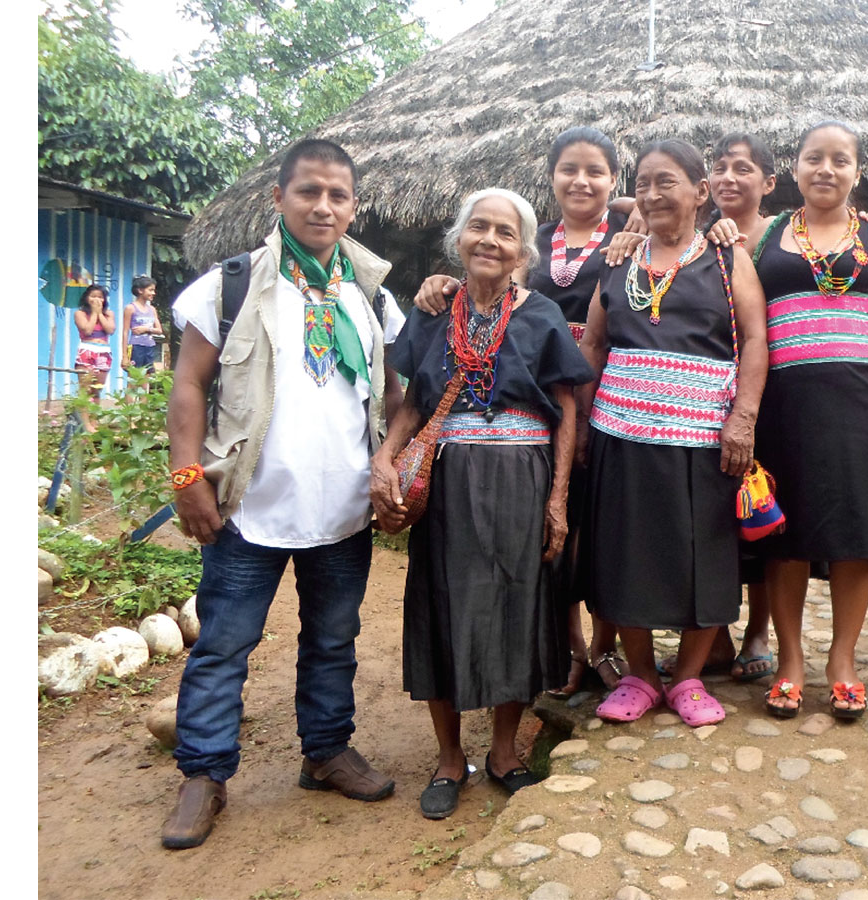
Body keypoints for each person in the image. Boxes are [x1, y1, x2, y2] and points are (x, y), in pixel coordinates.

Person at [161, 138, 405, 850]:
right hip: (246, 510)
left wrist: (394, 469)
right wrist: (185, 480)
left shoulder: (370, 294)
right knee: (224, 646)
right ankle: (204, 776)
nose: (323, 206)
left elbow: (395, 394)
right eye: (308, 192)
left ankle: (325, 752)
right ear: (279, 198)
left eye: (337, 195)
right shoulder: (229, 286)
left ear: (354, 206)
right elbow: (188, 385)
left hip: (343, 513)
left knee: (334, 640)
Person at [371, 188, 593, 819]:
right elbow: (415, 400)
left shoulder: (543, 314)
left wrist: (558, 499)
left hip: (523, 476)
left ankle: (502, 753)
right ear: (459, 239)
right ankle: (448, 759)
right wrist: (387, 454)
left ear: (523, 249)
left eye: (504, 232)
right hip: (448, 478)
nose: (490, 240)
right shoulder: (436, 308)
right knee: (440, 602)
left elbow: (567, 408)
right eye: (479, 228)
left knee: (516, 603)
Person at [414, 127, 635, 696]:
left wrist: (634, 221)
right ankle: (569, 650)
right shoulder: (530, 239)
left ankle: (608, 647)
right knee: (544, 535)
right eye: (568, 168)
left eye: (595, 171)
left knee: (597, 528)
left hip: (611, 393)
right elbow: (482, 287)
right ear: (552, 175)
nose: (581, 180)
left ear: (614, 179)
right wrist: (440, 283)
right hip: (540, 394)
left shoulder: (629, 235)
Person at [578, 139, 768, 727]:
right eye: (643, 183)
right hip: (621, 434)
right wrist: (582, 428)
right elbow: (593, 343)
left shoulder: (727, 259)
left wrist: (743, 418)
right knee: (622, 552)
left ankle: (686, 678)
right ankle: (639, 674)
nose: (653, 193)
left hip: (703, 439)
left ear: (699, 192)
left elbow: (757, 340)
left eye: (667, 182)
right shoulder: (618, 260)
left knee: (704, 557)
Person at [753, 121, 868, 720]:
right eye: (814, 158)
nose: (826, 169)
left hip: (863, 404)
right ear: (795, 169)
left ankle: (842, 662)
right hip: (783, 407)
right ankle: (791, 662)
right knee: (784, 537)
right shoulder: (766, 236)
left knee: (856, 535)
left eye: (840, 160)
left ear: (857, 171)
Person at [73, 283, 115, 425]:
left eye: (100, 297)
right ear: (86, 298)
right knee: (85, 389)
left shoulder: (109, 314)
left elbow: (110, 330)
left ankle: (94, 422)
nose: (97, 300)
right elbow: (87, 330)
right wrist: (94, 313)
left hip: (103, 352)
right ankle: (85, 424)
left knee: (97, 389)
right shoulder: (80, 314)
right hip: (87, 350)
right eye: (93, 296)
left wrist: (99, 314)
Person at [123, 275, 163, 372]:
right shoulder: (130, 308)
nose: (153, 293)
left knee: (147, 377)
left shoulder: (152, 309)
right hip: (136, 347)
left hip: (150, 346)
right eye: (150, 290)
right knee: (134, 376)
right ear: (140, 290)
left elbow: (159, 330)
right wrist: (124, 356)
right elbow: (125, 332)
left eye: (154, 290)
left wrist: (146, 329)